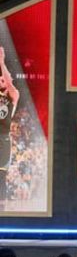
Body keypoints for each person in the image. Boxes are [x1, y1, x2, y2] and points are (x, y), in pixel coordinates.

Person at [0, 47, 20, 207]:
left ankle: (3, 209)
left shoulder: (13, 95)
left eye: (4, 79)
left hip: (3, 140)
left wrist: (1, 62)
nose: (3, 79)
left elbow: (9, 82)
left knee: (1, 176)